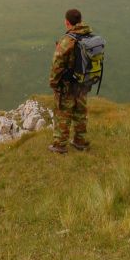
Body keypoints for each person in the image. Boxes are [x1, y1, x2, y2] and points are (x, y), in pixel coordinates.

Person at [49, 9, 92, 154]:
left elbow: (57, 65)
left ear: (67, 22)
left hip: (68, 85)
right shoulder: (89, 36)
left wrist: (54, 84)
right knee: (80, 112)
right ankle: (80, 142)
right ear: (80, 20)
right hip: (83, 83)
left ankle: (59, 145)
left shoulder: (67, 41)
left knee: (63, 113)